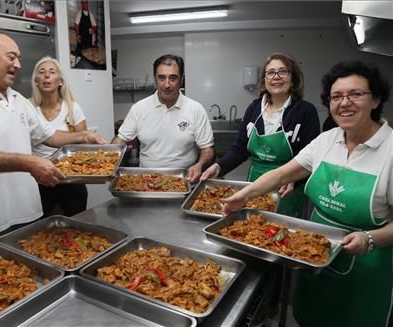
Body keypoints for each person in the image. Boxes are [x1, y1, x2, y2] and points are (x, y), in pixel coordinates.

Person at [222, 61, 393, 327]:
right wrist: (243, 195)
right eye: (336, 96)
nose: (344, 102)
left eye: (356, 94)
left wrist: (369, 239)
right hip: (315, 251)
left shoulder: (390, 150)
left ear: (376, 100)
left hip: (366, 264)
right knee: (311, 318)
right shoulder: (328, 140)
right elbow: (282, 174)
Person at [0, 31, 105, 242]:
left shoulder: (18, 100)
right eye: (11, 57)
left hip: (28, 213)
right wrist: (29, 163)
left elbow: (49, 135)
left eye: (19, 58)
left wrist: (83, 136)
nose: (18, 64)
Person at [201, 53, 320, 218]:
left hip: (287, 188)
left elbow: (312, 157)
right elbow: (240, 149)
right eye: (270, 72)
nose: (276, 77)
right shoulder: (254, 108)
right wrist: (219, 166)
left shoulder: (305, 111)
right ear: (264, 79)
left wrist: (295, 179)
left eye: (282, 72)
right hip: (255, 185)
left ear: (293, 79)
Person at [112, 54, 215, 183]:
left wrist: (200, 164)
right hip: (146, 182)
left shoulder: (195, 109)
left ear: (181, 79)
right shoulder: (139, 108)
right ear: (155, 79)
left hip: (184, 181)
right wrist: (108, 158)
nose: (167, 85)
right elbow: (120, 140)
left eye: (173, 78)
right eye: (161, 78)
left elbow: (207, 149)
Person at [30, 56, 88, 217]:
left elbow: (83, 147)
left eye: (52, 72)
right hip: (39, 181)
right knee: (43, 235)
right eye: (41, 72)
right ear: (36, 80)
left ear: (60, 80)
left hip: (70, 181)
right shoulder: (28, 109)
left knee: (75, 231)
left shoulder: (72, 108)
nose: (46, 75)